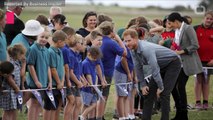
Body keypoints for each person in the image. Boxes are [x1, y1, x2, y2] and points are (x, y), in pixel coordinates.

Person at [123, 29, 181, 120]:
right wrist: (143, 85)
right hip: (160, 66)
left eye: (129, 40)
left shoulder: (146, 49)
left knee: (164, 93)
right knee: (148, 94)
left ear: (136, 39)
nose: (127, 43)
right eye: (125, 41)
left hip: (173, 63)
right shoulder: (132, 49)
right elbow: (138, 68)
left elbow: (155, 69)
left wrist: (160, 87)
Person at [167, 12, 203, 120]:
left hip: (187, 63)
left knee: (180, 86)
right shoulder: (177, 30)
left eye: (170, 23)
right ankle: (179, 113)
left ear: (176, 21)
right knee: (173, 87)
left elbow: (195, 45)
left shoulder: (188, 29)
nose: (169, 26)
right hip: (178, 63)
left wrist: (181, 51)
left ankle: (184, 114)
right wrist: (173, 48)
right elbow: (177, 44)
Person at [96, 21, 127, 120]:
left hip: (97, 71)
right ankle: (99, 117)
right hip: (106, 73)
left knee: (99, 96)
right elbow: (124, 53)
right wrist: (118, 39)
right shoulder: (111, 43)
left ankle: (98, 116)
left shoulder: (100, 41)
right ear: (112, 31)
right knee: (103, 96)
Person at [26, 26, 52, 120]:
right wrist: (36, 81)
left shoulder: (46, 50)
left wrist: (49, 81)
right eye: (42, 37)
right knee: (34, 103)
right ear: (37, 36)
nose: (44, 39)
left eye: (46, 37)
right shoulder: (33, 49)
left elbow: (48, 66)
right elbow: (30, 65)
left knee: (39, 103)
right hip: (35, 82)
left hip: (44, 82)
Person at [194, 11, 213, 110]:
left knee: (206, 80)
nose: (209, 20)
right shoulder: (196, 28)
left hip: (210, 62)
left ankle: (205, 102)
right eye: (207, 18)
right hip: (197, 60)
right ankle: (198, 102)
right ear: (204, 18)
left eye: (211, 19)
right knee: (198, 80)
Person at [1, 44, 26, 120]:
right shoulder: (11, 64)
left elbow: (22, 74)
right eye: (22, 54)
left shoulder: (17, 63)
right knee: (8, 111)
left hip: (14, 91)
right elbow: (9, 78)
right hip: (9, 91)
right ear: (18, 54)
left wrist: (24, 64)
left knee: (13, 110)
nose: (23, 56)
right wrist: (15, 87)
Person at [47, 30, 66, 120]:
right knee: (51, 106)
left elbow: (62, 66)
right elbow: (53, 69)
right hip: (54, 84)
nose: (65, 44)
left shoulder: (60, 51)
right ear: (59, 42)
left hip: (60, 83)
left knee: (58, 104)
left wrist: (62, 81)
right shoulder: (50, 52)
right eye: (64, 41)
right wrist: (59, 82)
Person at [80, 46, 102, 120]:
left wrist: (95, 85)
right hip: (87, 88)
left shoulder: (92, 62)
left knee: (94, 104)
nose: (95, 59)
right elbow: (88, 76)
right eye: (94, 57)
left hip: (92, 87)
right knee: (86, 104)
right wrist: (93, 85)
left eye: (96, 58)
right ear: (89, 54)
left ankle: (82, 116)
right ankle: (82, 116)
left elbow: (95, 75)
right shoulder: (86, 63)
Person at [60, 26, 76, 120]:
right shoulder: (65, 49)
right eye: (73, 37)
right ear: (69, 36)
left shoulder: (63, 48)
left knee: (70, 100)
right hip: (65, 78)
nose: (74, 39)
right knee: (71, 99)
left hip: (63, 78)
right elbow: (66, 67)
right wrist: (67, 80)